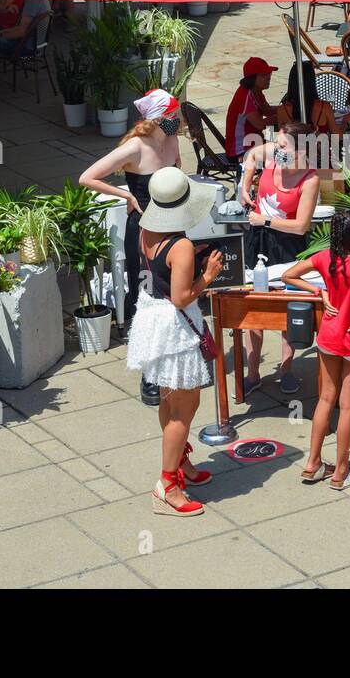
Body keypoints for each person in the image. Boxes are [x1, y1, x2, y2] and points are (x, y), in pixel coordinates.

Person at [125, 167, 224, 516]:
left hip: (153, 319)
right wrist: (207, 276)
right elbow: (183, 297)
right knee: (185, 408)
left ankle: (180, 461)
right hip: (176, 326)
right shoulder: (180, 246)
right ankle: (167, 485)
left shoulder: (144, 228)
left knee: (168, 400)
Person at [79, 90, 184, 407]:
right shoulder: (135, 147)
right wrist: (125, 195)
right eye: (172, 116)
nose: (177, 121)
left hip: (172, 223)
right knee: (147, 297)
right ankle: (148, 372)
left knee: (173, 293)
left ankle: (173, 359)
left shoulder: (172, 140)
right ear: (156, 118)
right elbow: (87, 177)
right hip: (145, 231)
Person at [282, 210, 350, 489]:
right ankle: (341, 470)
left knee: (324, 400)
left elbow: (289, 275)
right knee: (347, 407)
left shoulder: (325, 258)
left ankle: (313, 463)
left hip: (329, 337)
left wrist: (317, 292)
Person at [238, 122, 321, 395]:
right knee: (253, 308)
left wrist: (266, 220)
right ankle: (252, 374)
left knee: (287, 309)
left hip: (287, 247)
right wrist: (245, 183)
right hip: (257, 241)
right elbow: (251, 156)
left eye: (283, 146)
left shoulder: (310, 179)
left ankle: (286, 370)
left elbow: (301, 226)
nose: (276, 149)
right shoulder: (275, 153)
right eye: (276, 144)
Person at [224, 56, 279, 161]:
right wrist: (282, 115)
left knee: (288, 152)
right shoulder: (244, 96)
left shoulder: (256, 91)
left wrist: (286, 108)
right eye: (264, 75)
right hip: (241, 151)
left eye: (269, 74)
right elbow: (260, 124)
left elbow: (268, 111)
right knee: (290, 157)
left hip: (254, 144)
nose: (269, 77)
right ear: (253, 78)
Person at [275, 61, 347, 136]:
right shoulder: (324, 107)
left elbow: (282, 137)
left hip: (293, 147)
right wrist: (346, 121)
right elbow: (337, 135)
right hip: (319, 147)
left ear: (292, 81)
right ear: (312, 81)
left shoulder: (282, 110)